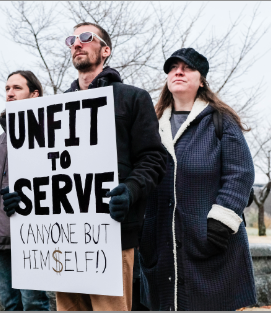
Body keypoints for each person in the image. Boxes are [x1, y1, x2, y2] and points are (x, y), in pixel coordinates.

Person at [55, 22, 166, 311]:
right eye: (72, 39)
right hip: (63, 239)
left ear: (106, 50)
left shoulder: (132, 97)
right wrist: (23, 197)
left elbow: (154, 158)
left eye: (85, 37)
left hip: (112, 234)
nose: (76, 43)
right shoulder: (56, 106)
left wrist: (130, 191)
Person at [139, 48, 256, 311]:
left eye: (187, 68)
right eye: (172, 67)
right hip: (160, 245)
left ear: (201, 80)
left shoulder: (220, 120)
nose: (178, 71)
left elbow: (241, 172)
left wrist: (220, 223)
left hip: (210, 243)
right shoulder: (150, 124)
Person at [0, 70, 50, 311]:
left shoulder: (49, 130)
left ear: (34, 95)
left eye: (17, 88)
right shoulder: (2, 137)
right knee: (9, 304)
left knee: (33, 303)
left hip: (30, 234)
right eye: (7, 89)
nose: (10, 93)